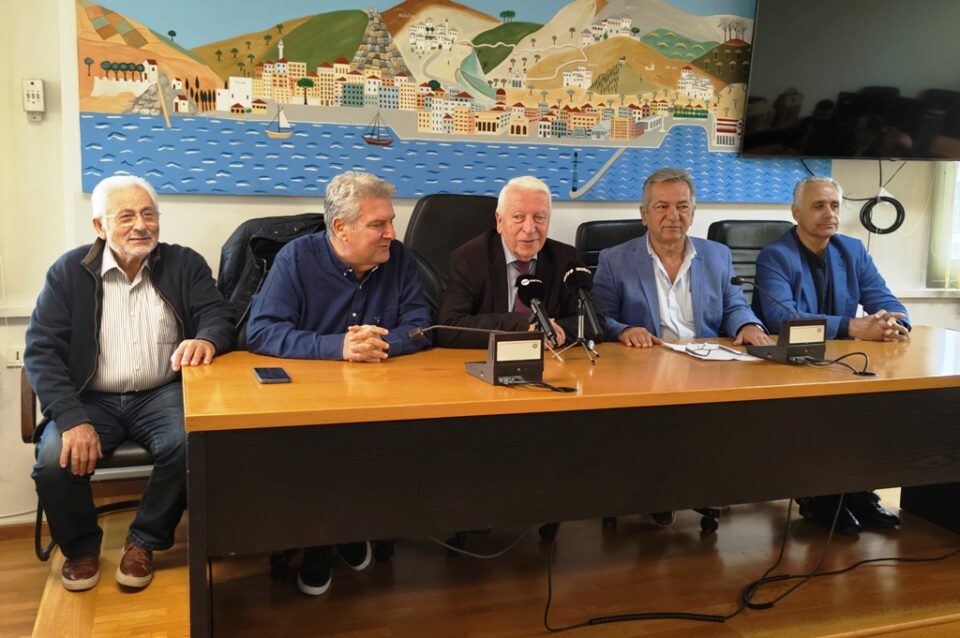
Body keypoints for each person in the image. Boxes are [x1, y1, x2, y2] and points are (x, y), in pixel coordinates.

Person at [25, 175, 236, 592]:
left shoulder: (184, 263)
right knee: (53, 462)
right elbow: (41, 351)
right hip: (90, 399)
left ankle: (144, 541)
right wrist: (71, 418)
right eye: (126, 216)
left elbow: (219, 315)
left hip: (161, 393)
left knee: (192, 443)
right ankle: (81, 549)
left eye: (148, 214)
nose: (141, 225)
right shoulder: (68, 272)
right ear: (100, 227)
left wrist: (207, 338)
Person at [245, 171, 432, 595]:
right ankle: (319, 542)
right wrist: (339, 347)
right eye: (378, 224)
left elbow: (421, 323)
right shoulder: (296, 259)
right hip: (308, 398)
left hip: (377, 395)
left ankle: (352, 527)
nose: (391, 233)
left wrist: (383, 343)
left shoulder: (398, 259)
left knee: (390, 446)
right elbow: (262, 331)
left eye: (391, 221)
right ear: (340, 228)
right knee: (321, 449)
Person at [592, 166, 772, 526]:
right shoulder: (615, 259)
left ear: (693, 212)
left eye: (682, 206)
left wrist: (748, 324)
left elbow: (734, 305)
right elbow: (598, 317)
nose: (673, 215)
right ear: (644, 214)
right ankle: (662, 490)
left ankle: (698, 484)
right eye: (661, 206)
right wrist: (625, 330)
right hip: (645, 367)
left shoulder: (717, 255)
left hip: (705, 364)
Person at [753, 175, 909, 535]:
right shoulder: (776, 255)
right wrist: (853, 327)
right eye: (818, 206)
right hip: (790, 364)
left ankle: (857, 492)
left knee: (869, 406)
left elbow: (886, 300)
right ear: (796, 213)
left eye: (835, 205)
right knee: (822, 412)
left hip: (842, 363)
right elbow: (781, 318)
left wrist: (893, 323)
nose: (829, 214)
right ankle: (818, 496)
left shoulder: (851, 250)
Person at [437, 175, 600, 348]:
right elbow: (449, 327)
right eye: (518, 217)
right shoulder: (469, 259)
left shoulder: (565, 258)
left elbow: (595, 323)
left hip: (549, 361)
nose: (529, 229)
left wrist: (549, 332)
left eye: (539, 217)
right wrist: (523, 326)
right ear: (500, 221)